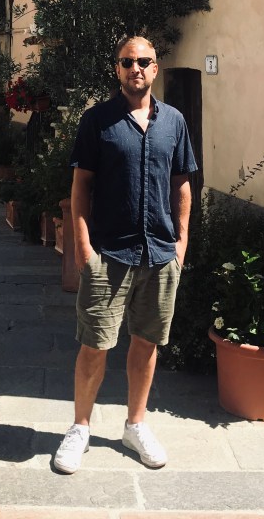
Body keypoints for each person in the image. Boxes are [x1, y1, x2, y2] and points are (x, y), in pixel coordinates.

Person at [53, 35, 196, 474]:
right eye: (127, 61)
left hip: (159, 253)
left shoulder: (174, 121)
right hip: (109, 254)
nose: (136, 68)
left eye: (144, 61)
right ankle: (80, 428)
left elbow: (182, 185)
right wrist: (82, 247)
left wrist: (181, 246)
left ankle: (135, 424)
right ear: (117, 69)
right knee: (95, 344)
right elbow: (81, 187)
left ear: (156, 69)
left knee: (147, 342)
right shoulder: (97, 121)